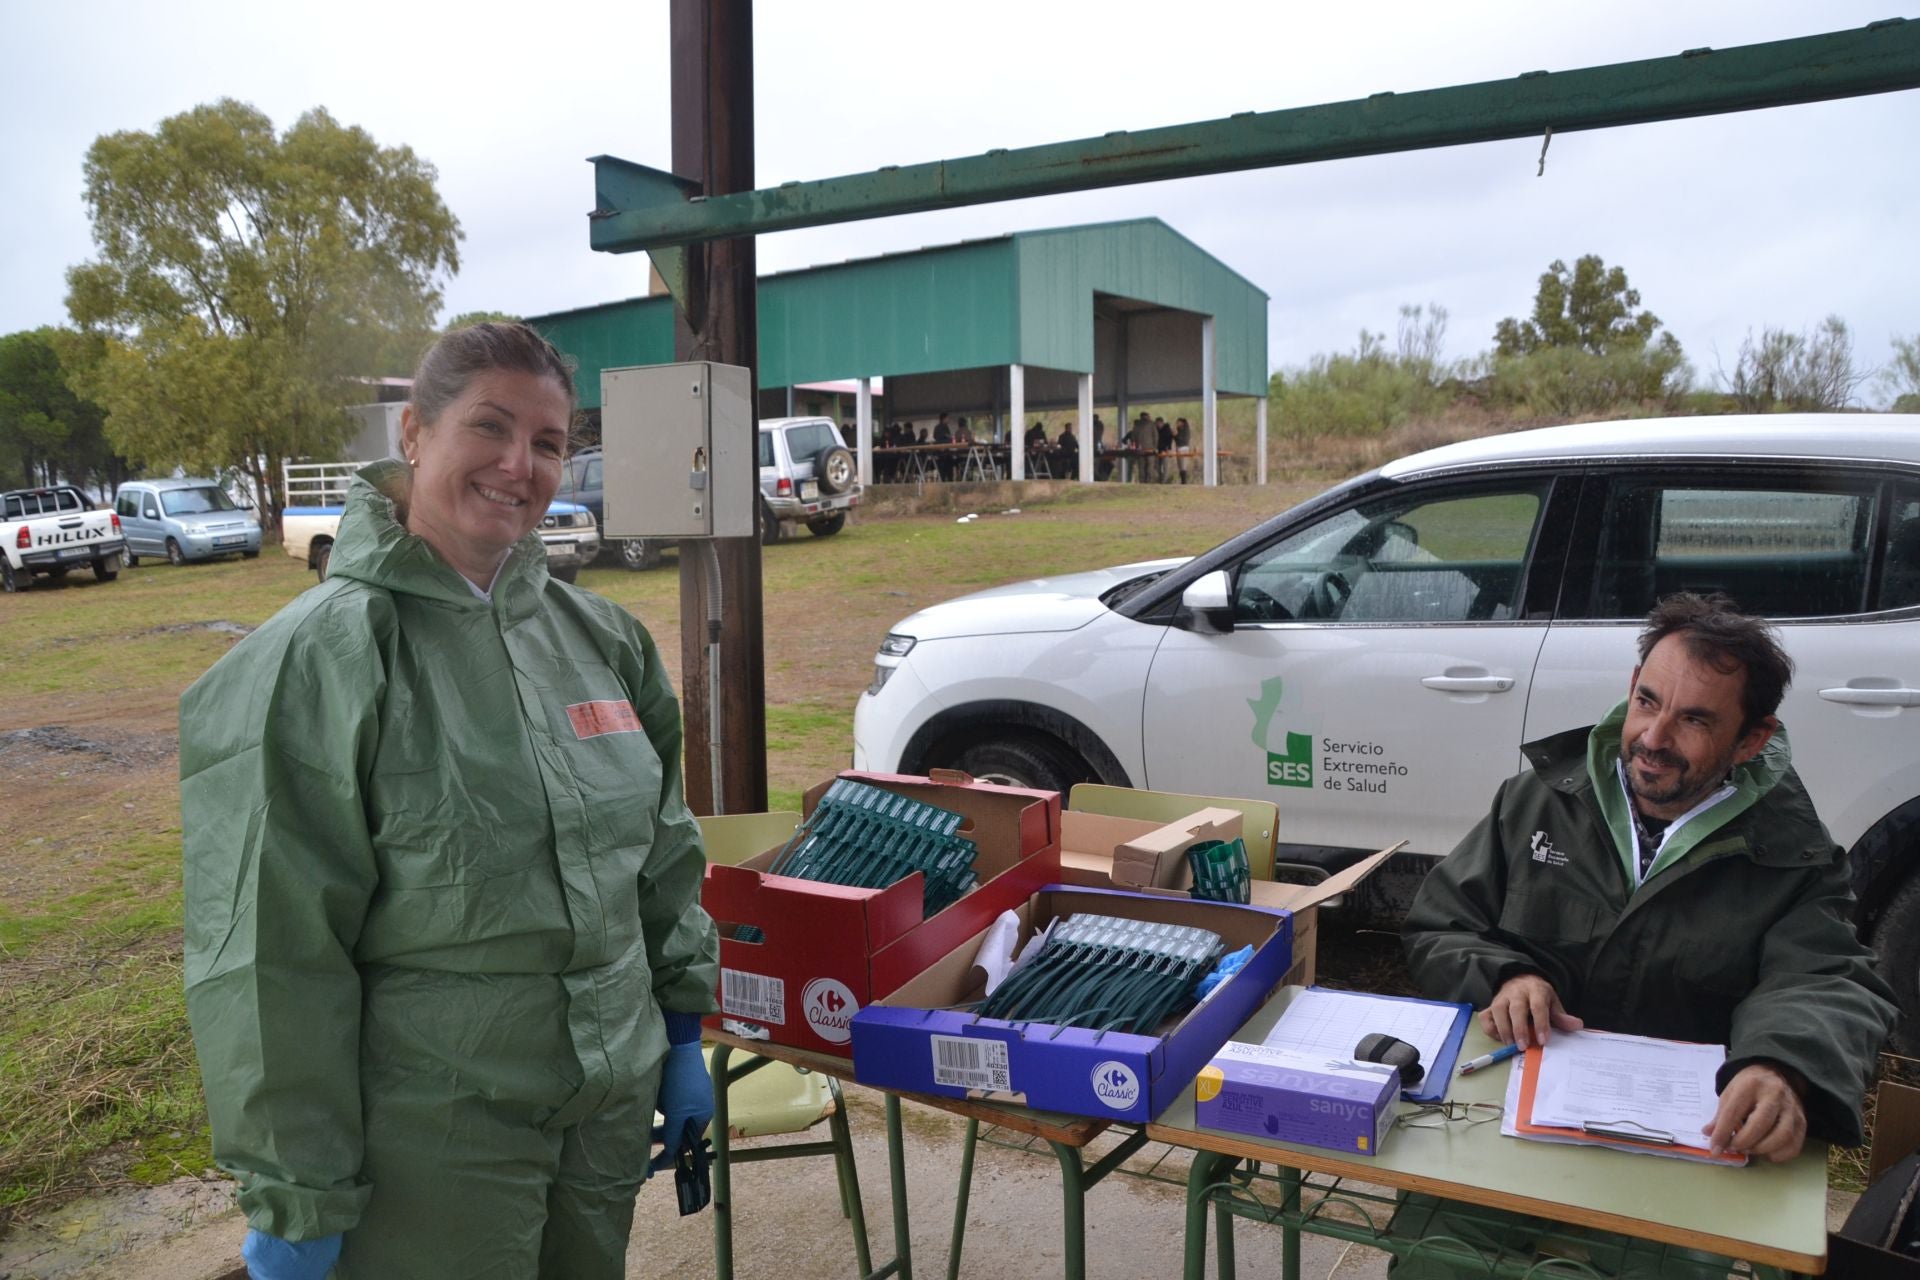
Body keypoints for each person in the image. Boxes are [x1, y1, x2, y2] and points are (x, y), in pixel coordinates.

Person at [182, 323, 719, 1280]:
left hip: (604, 1111)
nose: (521, 465)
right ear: (415, 433)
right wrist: (297, 1191)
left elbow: (663, 855)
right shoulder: (316, 663)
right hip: (433, 1139)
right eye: (491, 428)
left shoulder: (603, 641)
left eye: (550, 443)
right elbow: (270, 956)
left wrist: (681, 1033)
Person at [1406, 593, 1893, 1159]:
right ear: (1632, 682)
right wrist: (1505, 976)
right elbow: (1440, 925)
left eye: (1694, 719)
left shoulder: (1793, 857)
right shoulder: (1535, 803)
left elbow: (1829, 983)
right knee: (1438, 1246)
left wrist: (1781, 1066)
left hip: (1690, 1150)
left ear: (1752, 740)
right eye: (1647, 701)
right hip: (1500, 1125)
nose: (1655, 738)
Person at [1174, 416, 1192, 484]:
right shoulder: (1178, 429)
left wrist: (1176, 435)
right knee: (1180, 465)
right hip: (1178, 448)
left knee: (1183, 465)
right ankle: (1182, 480)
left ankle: (1184, 481)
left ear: (1182, 423)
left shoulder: (1186, 430)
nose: (1177, 423)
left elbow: (1184, 440)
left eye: (1178, 422)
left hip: (1184, 448)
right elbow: (1177, 440)